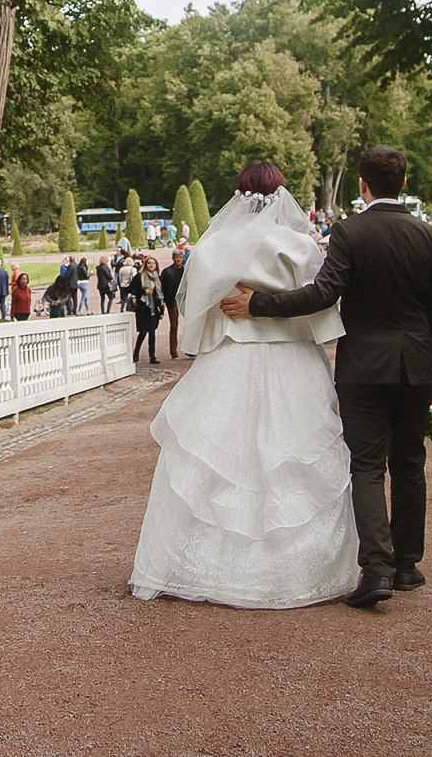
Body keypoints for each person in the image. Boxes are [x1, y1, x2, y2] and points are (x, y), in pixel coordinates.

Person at [217, 145, 432, 609]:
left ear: (362, 185)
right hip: (416, 365)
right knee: (409, 463)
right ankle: (408, 565)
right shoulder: (431, 237)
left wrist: (257, 305)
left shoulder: (350, 232)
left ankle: (377, 568)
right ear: (403, 183)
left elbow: (323, 295)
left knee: (365, 466)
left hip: (364, 366)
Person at [129, 160, 358, 609]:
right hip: (290, 356)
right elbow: (318, 306)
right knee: (288, 456)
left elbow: (194, 310)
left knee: (222, 457)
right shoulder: (297, 245)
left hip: (232, 356)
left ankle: (201, 565)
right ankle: (296, 570)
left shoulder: (216, 245)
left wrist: (221, 320)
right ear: (280, 195)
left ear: (238, 195)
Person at [126, 255, 162, 362]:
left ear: (156, 266)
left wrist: (161, 309)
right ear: (146, 265)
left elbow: (160, 294)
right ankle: (136, 352)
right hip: (142, 307)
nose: (151, 265)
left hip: (153, 308)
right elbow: (130, 289)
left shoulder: (157, 277)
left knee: (152, 331)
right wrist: (142, 291)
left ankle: (152, 356)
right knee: (143, 332)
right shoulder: (139, 276)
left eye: (153, 263)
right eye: (149, 263)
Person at [159, 249, 186, 360]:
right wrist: (164, 303)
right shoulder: (167, 272)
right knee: (174, 326)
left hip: (184, 300)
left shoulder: (186, 271)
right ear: (173, 258)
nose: (178, 259)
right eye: (176, 257)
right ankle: (173, 351)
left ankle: (189, 349)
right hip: (172, 301)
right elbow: (163, 288)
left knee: (189, 324)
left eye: (180, 257)